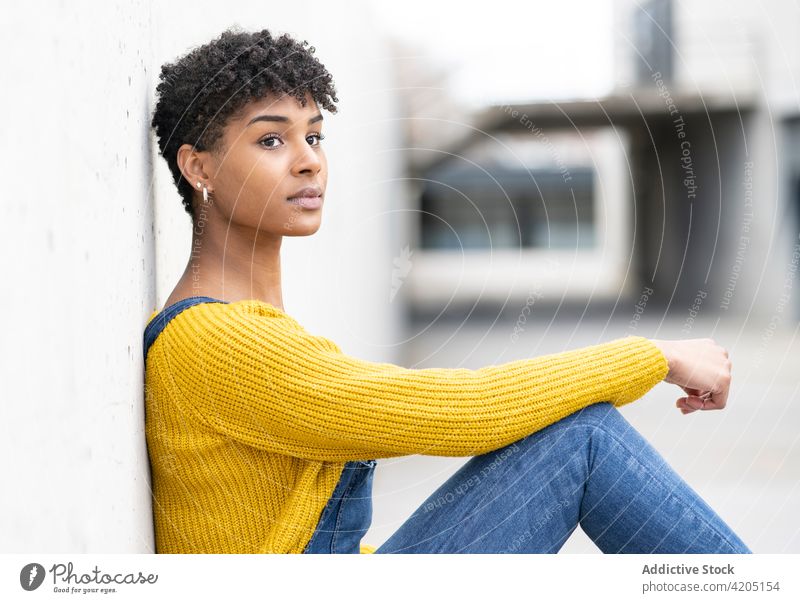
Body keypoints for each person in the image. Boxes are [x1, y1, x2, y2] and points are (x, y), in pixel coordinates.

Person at [144, 26, 751, 554]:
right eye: (271, 140)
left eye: (315, 135)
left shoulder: (243, 326)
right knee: (584, 441)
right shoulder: (214, 342)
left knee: (581, 437)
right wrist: (656, 357)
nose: (309, 162)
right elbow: (462, 411)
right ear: (199, 168)